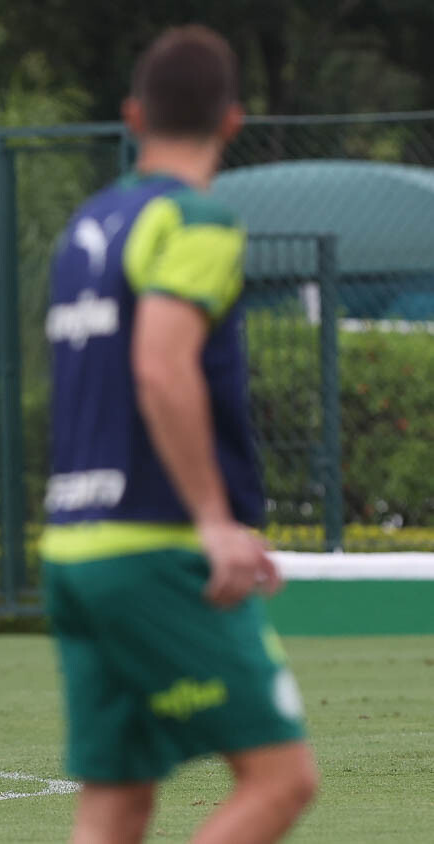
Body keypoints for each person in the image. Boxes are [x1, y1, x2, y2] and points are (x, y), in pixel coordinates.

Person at [41, 25, 317, 844]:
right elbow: (161, 367)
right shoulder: (196, 221)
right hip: (155, 549)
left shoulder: (87, 228)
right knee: (281, 780)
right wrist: (214, 521)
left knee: (117, 803)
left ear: (133, 116)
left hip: (74, 552)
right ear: (233, 121)